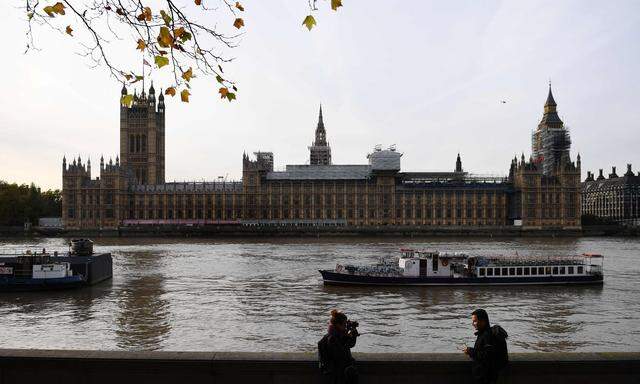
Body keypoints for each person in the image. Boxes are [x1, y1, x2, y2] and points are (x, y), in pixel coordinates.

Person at [463, 309, 509, 384]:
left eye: (475, 321)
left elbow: (486, 356)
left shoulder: (487, 336)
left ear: (483, 321)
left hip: (486, 378)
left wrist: (470, 351)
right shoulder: (486, 333)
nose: (473, 323)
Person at [318, 309, 359, 384]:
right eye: (344, 324)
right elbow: (341, 354)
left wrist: (353, 333)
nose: (346, 326)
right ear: (338, 325)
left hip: (338, 372)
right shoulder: (333, 338)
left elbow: (350, 344)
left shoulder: (337, 334)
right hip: (337, 373)